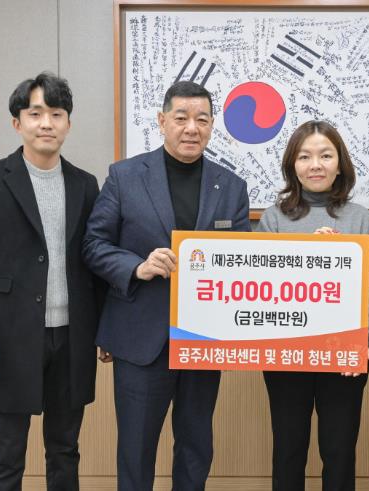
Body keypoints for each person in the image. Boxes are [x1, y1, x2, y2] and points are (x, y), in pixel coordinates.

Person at [82, 80, 250, 490]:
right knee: (136, 448)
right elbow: (93, 244)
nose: (192, 128)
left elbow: (243, 259)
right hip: (141, 338)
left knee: (196, 447)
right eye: (181, 118)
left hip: (203, 339)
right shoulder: (124, 176)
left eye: (202, 119)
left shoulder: (232, 187)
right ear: (161, 121)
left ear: (212, 126)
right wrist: (137, 266)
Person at [0, 72, 105, 490]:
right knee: (5, 453)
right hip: (8, 338)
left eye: (56, 114)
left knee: (65, 449)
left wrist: (105, 331)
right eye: (35, 114)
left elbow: (94, 264)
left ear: (68, 123)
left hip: (71, 338)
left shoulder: (85, 185)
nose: (46, 123)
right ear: (17, 122)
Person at [257, 120, 369, 491]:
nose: (316, 164)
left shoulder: (358, 217)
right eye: (305, 156)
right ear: (292, 165)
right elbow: (261, 286)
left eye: (326, 156)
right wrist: (309, 254)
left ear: (339, 164)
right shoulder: (274, 218)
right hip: (286, 354)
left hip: (343, 355)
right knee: (288, 448)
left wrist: (358, 341)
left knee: (339, 449)